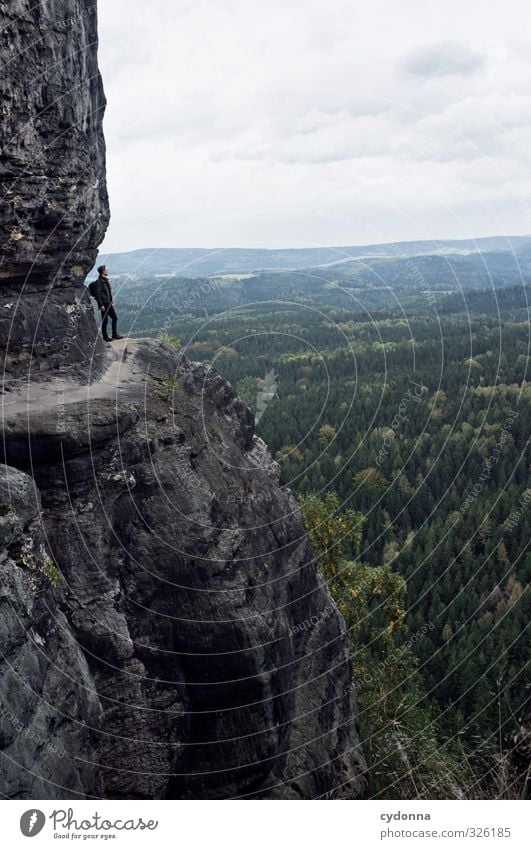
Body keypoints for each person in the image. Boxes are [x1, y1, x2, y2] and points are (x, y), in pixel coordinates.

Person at [94, 265, 123, 342]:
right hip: (104, 303)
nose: (108, 271)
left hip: (108, 303)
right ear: (103, 271)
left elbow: (108, 293)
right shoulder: (99, 282)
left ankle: (114, 335)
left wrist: (112, 302)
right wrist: (101, 305)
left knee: (113, 318)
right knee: (106, 320)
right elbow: (97, 295)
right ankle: (106, 337)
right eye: (106, 270)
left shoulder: (105, 280)